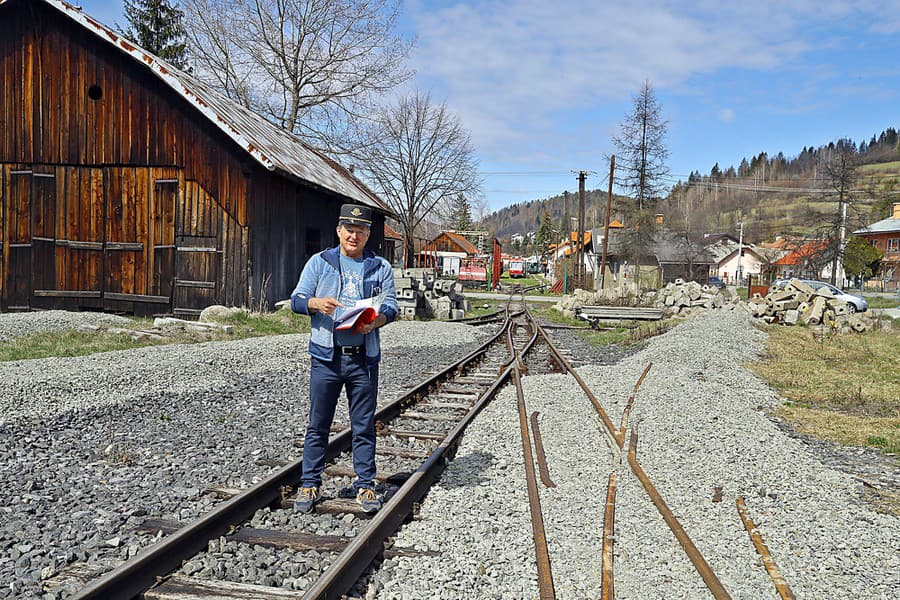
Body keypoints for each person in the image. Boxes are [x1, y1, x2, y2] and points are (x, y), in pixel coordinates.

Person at [290, 203, 398, 513]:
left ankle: (365, 486)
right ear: (339, 231)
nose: (354, 235)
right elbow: (296, 300)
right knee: (318, 424)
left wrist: (375, 322)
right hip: (326, 357)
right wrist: (315, 303)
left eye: (361, 230)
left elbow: (391, 306)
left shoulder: (381, 267)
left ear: (368, 234)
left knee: (363, 425)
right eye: (349, 229)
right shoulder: (320, 262)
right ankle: (309, 483)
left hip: (363, 359)